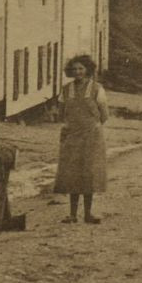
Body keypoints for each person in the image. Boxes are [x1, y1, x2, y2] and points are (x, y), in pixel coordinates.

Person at [53, 54, 108, 224]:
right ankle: (72, 214)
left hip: (92, 137)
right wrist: (69, 127)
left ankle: (88, 214)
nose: (77, 72)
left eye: (81, 69)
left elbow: (104, 115)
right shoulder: (66, 89)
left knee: (89, 174)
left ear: (87, 70)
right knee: (72, 174)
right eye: (74, 69)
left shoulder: (97, 89)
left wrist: (91, 127)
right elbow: (61, 113)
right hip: (72, 136)